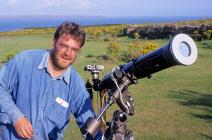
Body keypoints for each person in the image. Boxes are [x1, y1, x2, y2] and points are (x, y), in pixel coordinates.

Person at [0, 21, 102, 140]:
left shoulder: (76, 86)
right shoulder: (24, 61)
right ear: (54, 42)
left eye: (74, 49)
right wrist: (16, 116)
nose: (68, 53)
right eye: (64, 46)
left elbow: (89, 122)